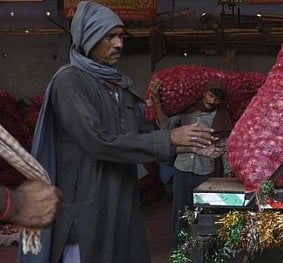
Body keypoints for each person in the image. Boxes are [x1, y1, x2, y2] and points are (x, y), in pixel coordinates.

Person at [19, 2, 224, 263]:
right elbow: (98, 142)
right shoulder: (70, 81)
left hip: (120, 199)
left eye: (120, 36)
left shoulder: (118, 85)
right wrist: (170, 138)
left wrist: (191, 145)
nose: (119, 44)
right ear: (88, 37)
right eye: (109, 36)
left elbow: (139, 137)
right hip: (87, 202)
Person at [150, 78, 233, 248]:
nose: (212, 101)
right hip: (182, 169)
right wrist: (157, 101)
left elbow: (225, 145)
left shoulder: (220, 117)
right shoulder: (185, 113)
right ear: (203, 93)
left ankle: (204, 250)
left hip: (206, 172)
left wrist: (228, 173)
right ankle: (180, 250)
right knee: (181, 212)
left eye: (217, 98)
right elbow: (165, 128)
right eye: (210, 95)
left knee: (205, 213)